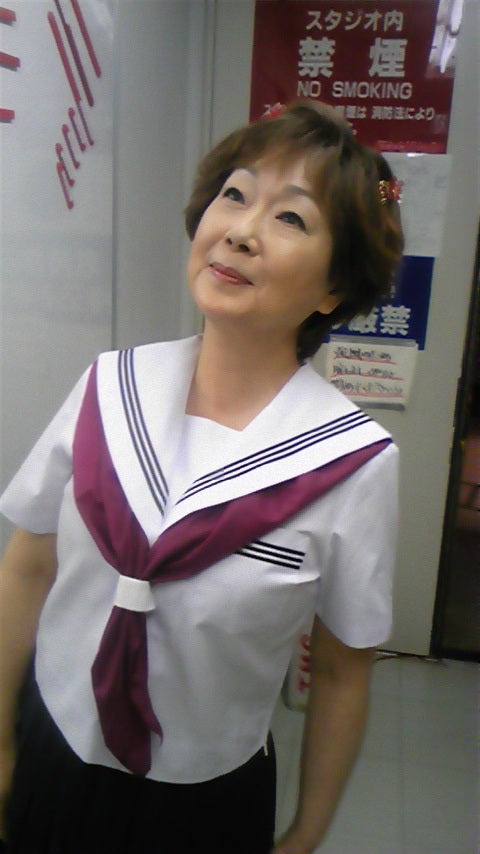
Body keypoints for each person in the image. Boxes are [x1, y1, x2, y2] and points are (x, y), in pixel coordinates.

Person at [0, 101, 403, 854]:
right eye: (236, 194)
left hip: (207, 795)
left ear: (332, 290)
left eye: (291, 218)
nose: (242, 231)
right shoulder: (108, 387)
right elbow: (28, 565)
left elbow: (344, 671)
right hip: (51, 743)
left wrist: (305, 835)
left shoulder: (353, 461)